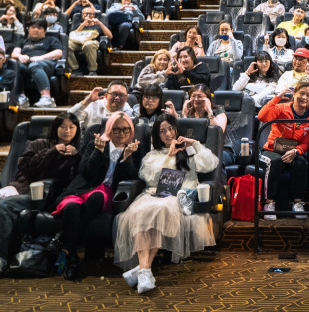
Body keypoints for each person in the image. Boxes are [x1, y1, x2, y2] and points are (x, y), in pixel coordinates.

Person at [114, 114, 219, 293]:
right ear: (157, 135)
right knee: (142, 211)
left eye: (170, 129)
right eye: (162, 131)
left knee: (161, 210)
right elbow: (150, 178)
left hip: (179, 195)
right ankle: (145, 269)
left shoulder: (189, 151)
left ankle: (143, 269)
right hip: (154, 194)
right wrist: (168, 157)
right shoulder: (152, 155)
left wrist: (195, 144)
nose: (168, 134)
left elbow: (210, 165)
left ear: (177, 129)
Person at [53, 111, 142, 280]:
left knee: (97, 198)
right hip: (82, 189)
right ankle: (72, 258)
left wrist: (127, 158)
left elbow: (133, 179)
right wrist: (98, 151)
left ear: (131, 131)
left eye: (126, 130)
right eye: (116, 129)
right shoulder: (96, 144)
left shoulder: (134, 148)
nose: (121, 134)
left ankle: (63, 238)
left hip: (106, 193)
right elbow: (85, 173)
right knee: (71, 207)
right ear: (109, 130)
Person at [0, 111, 81, 275]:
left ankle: (1, 258)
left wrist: (75, 158)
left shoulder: (76, 153)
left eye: (71, 127)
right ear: (55, 128)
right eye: (63, 127)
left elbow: (70, 182)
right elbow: (27, 169)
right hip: (21, 188)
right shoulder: (39, 143)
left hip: (43, 197)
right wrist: (51, 152)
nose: (67, 131)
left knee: (5, 206)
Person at [257, 82, 309, 220]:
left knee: (301, 162)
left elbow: (306, 143)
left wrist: (296, 152)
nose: (304, 97)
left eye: (308, 95)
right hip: (272, 149)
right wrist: (277, 97)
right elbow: (262, 116)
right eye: (301, 93)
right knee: (276, 161)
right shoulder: (281, 108)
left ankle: (298, 204)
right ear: (294, 94)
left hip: (293, 151)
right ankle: (269, 203)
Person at [11, 19, 63, 108]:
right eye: (33, 27)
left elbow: (58, 53)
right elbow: (14, 54)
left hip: (45, 63)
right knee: (16, 66)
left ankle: (47, 98)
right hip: (27, 64)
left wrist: (40, 58)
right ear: (29, 29)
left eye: (39, 28)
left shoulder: (51, 39)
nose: (35, 30)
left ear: (44, 30)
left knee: (34, 65)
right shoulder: (23, 42)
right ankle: (22, 97)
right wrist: (20, 56)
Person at [69, 80, 135, 128]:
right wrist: (87, 101)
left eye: (121, 95)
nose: (117, 98)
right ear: (106, 96)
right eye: (114, 94)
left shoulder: (130, 114)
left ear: (126, 99)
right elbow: (69, 118)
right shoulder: (93, 105)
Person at [67, 6, 112, 76]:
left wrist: (100, 24)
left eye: (90, 14)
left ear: (94, 15)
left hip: (92, 42)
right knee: (67, 44)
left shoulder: (98, 24)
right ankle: (75, 69)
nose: (88, 15)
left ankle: (92, 70)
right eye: (86, 13)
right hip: (78, 42)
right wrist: (83, 25)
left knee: (88, 45)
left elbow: (110, 36)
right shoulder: (78, 24)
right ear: (82, 15)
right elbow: (73, 34)